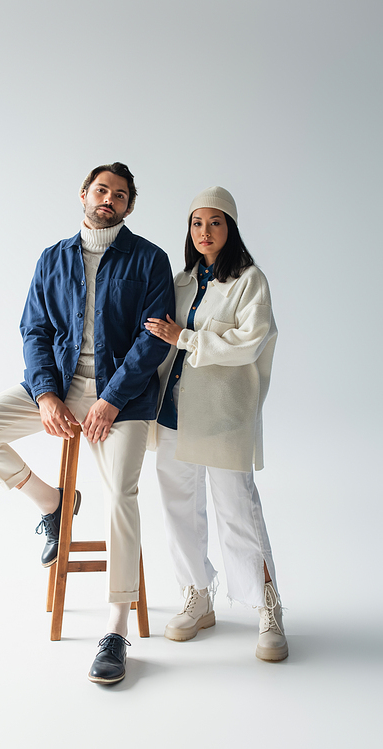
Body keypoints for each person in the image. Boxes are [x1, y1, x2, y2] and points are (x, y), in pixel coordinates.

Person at [0, 162, 175, 683]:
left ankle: (115, 628)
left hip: (121, 400)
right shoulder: (52, 258)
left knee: (121, 492)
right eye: (102, 190)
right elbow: (34, 330)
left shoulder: (149, 259)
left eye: (120, 195)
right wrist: (48, 395)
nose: (109, 199)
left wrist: (111, 400)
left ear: (128, 206)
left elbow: (152, 342)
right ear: (83, 194)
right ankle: (54, 503)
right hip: (59, 388)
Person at [144, 186, 288, 661]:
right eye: (196, 223)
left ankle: (268, 606)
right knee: (177, 508)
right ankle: (197, 594)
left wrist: (189, 337)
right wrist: (206, 337)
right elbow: (162, 342)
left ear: (231, 227)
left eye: (215, 222)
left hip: (223, 415)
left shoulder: (250, 280)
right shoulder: (181, 281)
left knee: (237, 509)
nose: (205, 232)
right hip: (173, 411)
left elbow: (251, 342)